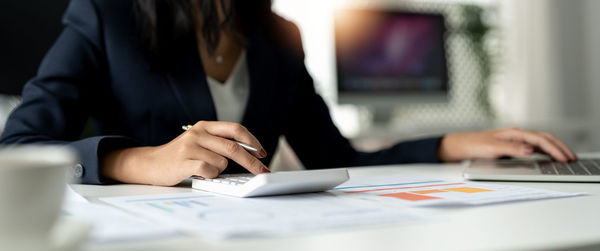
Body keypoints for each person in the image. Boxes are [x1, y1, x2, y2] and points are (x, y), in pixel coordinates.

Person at [0, 0, 576, 186]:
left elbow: (336, 159)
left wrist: (454, 144)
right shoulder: (106, 15)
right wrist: (138, 160)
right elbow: (18, 143)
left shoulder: (279, 36)